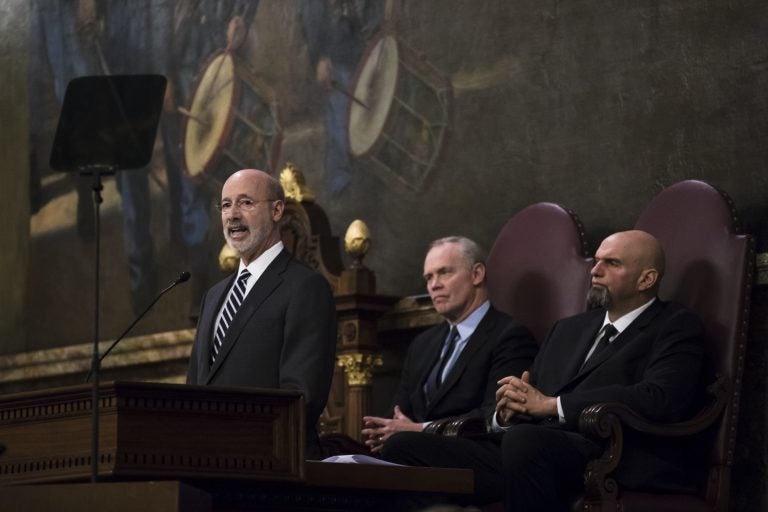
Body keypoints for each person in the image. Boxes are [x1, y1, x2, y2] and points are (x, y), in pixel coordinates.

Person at [381, 230, 707, 511]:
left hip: (612, 451)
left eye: (612, 263)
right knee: (403, 447)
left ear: (646, 279)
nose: (595, 270)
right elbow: (531, 395)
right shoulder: (568, 329)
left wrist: (553, 406)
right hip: (532, 445)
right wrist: (509, 408)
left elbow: (660, 398)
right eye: (596, 261)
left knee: (525, 442)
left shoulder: (674, 325)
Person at [187, 169, 337, 460]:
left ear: (277, 210)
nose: (232, 215)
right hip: (206, 465)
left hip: (270, 463)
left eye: (245, 203)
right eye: (226, 205)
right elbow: (196, 386)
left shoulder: (305, 287)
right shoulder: (214, 296)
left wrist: (237, 446)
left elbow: (301, 396)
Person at [362, 236, 537, 452]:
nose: (434, 285)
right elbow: (398, 412)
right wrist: (384, 430)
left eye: (445, 272)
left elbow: (496, 415)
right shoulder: (422, 344)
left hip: (472, 455)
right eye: (428, 277)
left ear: (477, 274)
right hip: (413, 453)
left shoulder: (510, 336)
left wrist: (421, 430)